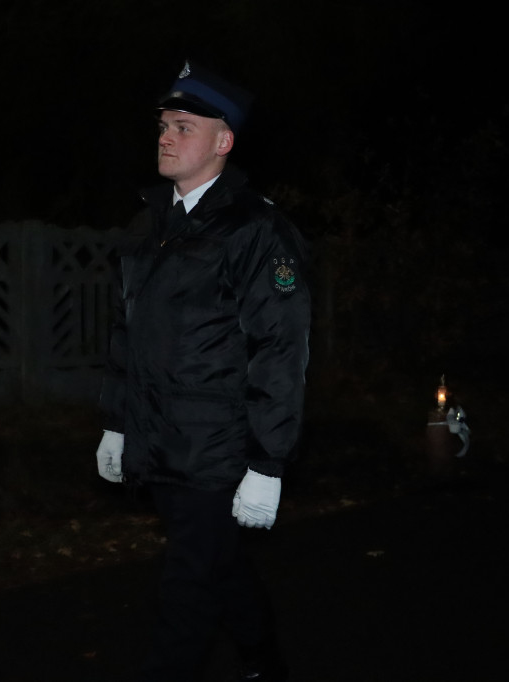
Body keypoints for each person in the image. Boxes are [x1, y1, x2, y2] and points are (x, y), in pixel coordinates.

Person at [94, 60, 310, 682]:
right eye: (164, 124)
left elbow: (281, 349)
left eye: (183, 126)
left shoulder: (256, 232)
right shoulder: (149, 224)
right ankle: (265, 662)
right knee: (218, 565)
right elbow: (125, 335)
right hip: (158, 435)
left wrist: (268, 463)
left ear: (223, 142)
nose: (165, 135)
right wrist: (117, 421)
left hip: (218, 447)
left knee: (185, 589)